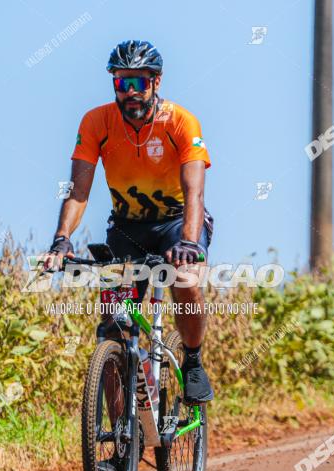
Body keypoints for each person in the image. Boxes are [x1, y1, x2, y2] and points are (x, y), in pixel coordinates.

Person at [41, 40, 215, 405]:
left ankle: (194, 360)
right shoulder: (96, 122)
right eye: (122, 84)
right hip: (126, 228)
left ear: (157, 82)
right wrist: (61, 239)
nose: (131, 93)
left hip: (176, 223)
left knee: (184, 280)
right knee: (113, 328)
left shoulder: (181, 122)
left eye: (139, 82)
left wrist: (188, 242)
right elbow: (78, 191)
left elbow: (194, 193)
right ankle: (121, 442)